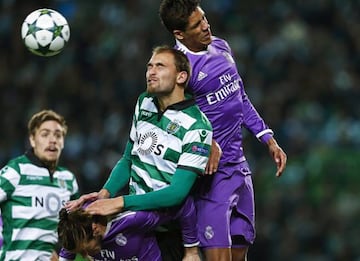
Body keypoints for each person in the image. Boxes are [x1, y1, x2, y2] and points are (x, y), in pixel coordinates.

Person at [159, 1, 288, 260]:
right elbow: (168, 120)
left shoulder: (221, 46)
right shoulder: (177, 70)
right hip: (210, 179)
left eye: (204, 18)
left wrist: (267, 137)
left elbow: (239, 96)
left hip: (239, 169)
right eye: (197, 25)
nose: (206, 26)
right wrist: (205, 140)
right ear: (179, 34)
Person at [65, 45, 213, 260]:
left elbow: (177, 194)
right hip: (135, 225)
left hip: (170, 231)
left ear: (181, 76)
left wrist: (119, 202)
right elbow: (128, 159)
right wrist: (105, 194)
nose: (151, 72)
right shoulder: (145, 103)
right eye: (149, 66)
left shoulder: (197, 127)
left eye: (160, 66)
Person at [0, 109, 80, 260]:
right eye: (45, 134)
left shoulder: (68, 179)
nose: (53, 140)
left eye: (58, 135)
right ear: (32, 139)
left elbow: (75, 229)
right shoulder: (16, 170)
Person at [58, 197, 199, 261]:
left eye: (84, 250)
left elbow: (184, 205)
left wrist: (191, 251)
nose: (84, 255)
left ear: (95, 229)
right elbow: (68, 250)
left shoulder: (134, 219)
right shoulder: (77, 227)